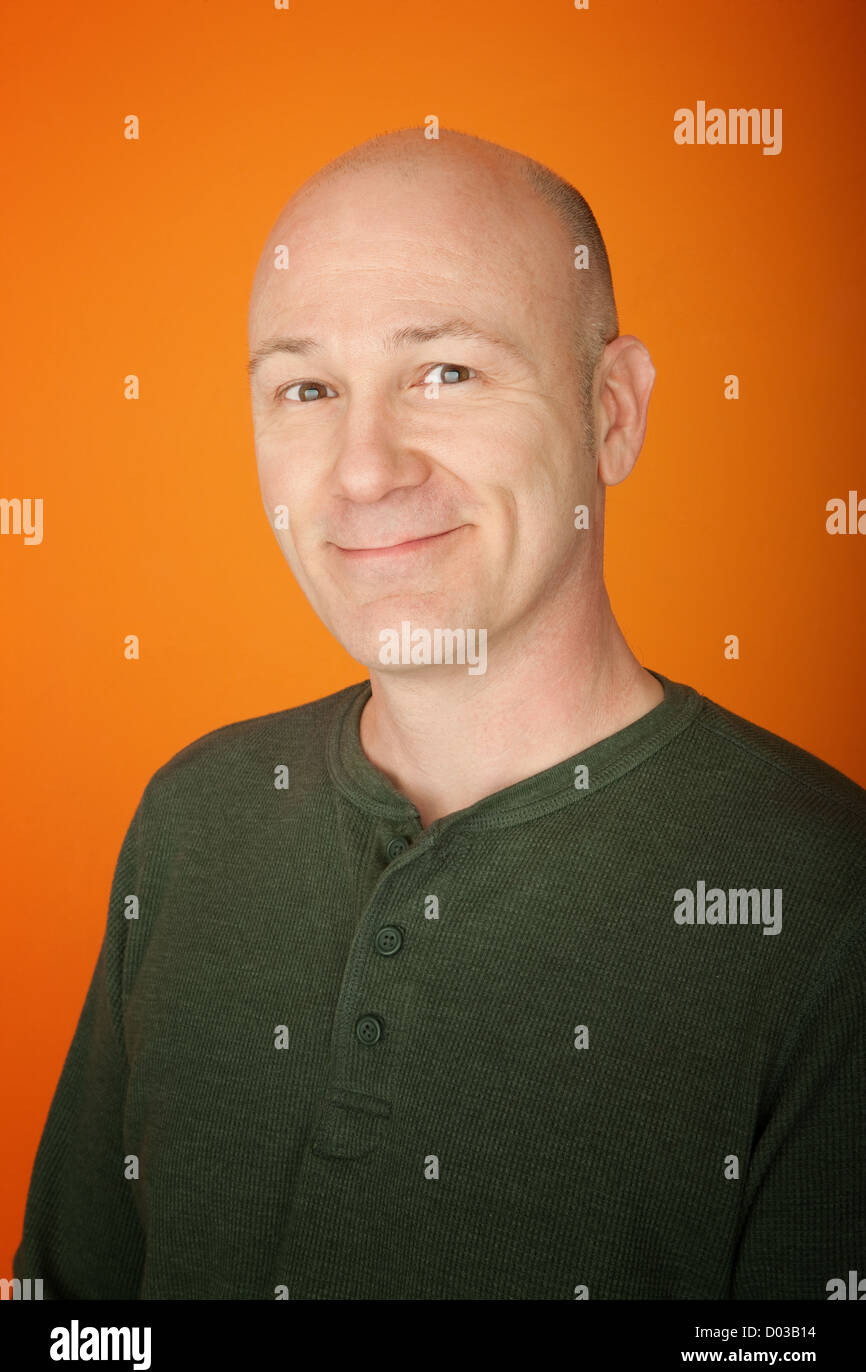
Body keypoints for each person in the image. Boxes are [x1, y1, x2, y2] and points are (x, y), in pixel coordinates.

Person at [13, 126, 866, 1300]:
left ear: (611, 412)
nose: (363, 470)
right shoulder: (194, 815)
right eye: (306, 388)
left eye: (446, 372)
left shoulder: (826, 906)